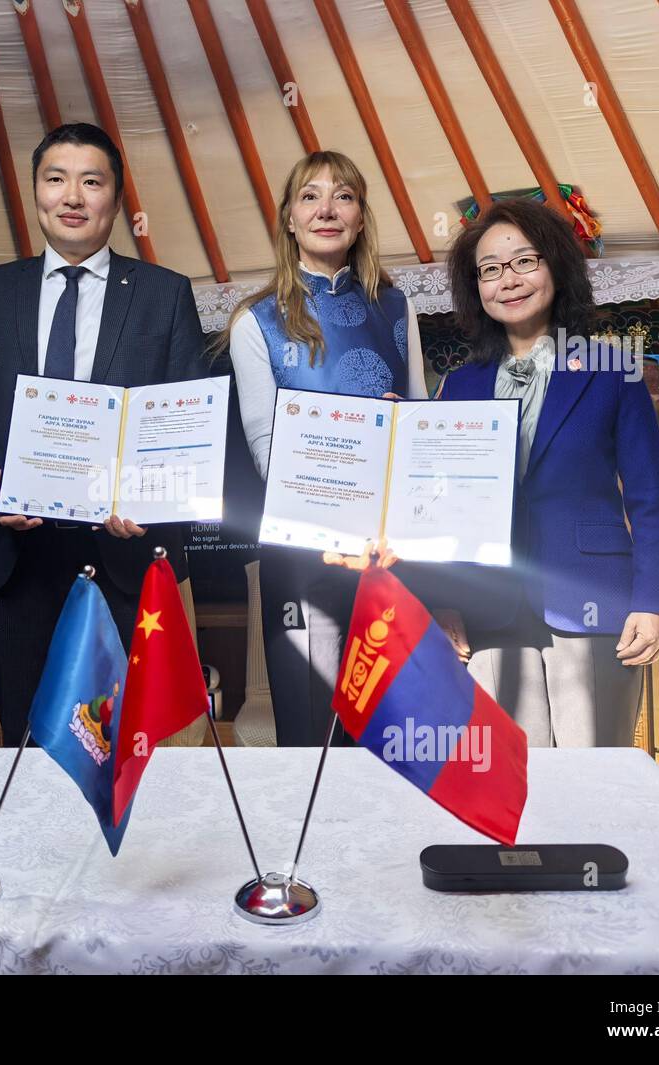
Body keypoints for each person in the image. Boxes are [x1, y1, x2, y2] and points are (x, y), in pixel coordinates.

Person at [0, 123, 207, 746]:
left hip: (123, 559)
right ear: (36, 194)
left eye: (92, 181)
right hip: (16, 567)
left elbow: (186, 420)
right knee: (26, 743)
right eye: (56, 180)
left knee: (122, 750)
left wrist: (147, 495)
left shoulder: (165, 296)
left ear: (115, 196)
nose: (73, 197)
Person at [433, 197, 659, 747]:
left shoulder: (612, 369)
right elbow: (444, 510)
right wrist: (442, 600)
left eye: (525, 261)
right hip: (487, 613)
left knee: (594, 783)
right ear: (476, 288)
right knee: (514, 786)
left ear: (556, 267)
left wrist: (654, 600)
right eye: (491, 269)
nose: (509, 280)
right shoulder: (458, 387)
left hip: (592, 602)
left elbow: (650, 499)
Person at [218, 150, 427, 747]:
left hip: (389, 556)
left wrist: (401, 431)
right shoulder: (255, 320)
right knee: (314, 736)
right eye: (310, 196)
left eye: (344, 196)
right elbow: (264, 448)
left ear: (361, 217)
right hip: (303, 558)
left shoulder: (396, 306)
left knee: (391, 735)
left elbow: (416, 421)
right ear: (288, 218)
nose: (327, 209)